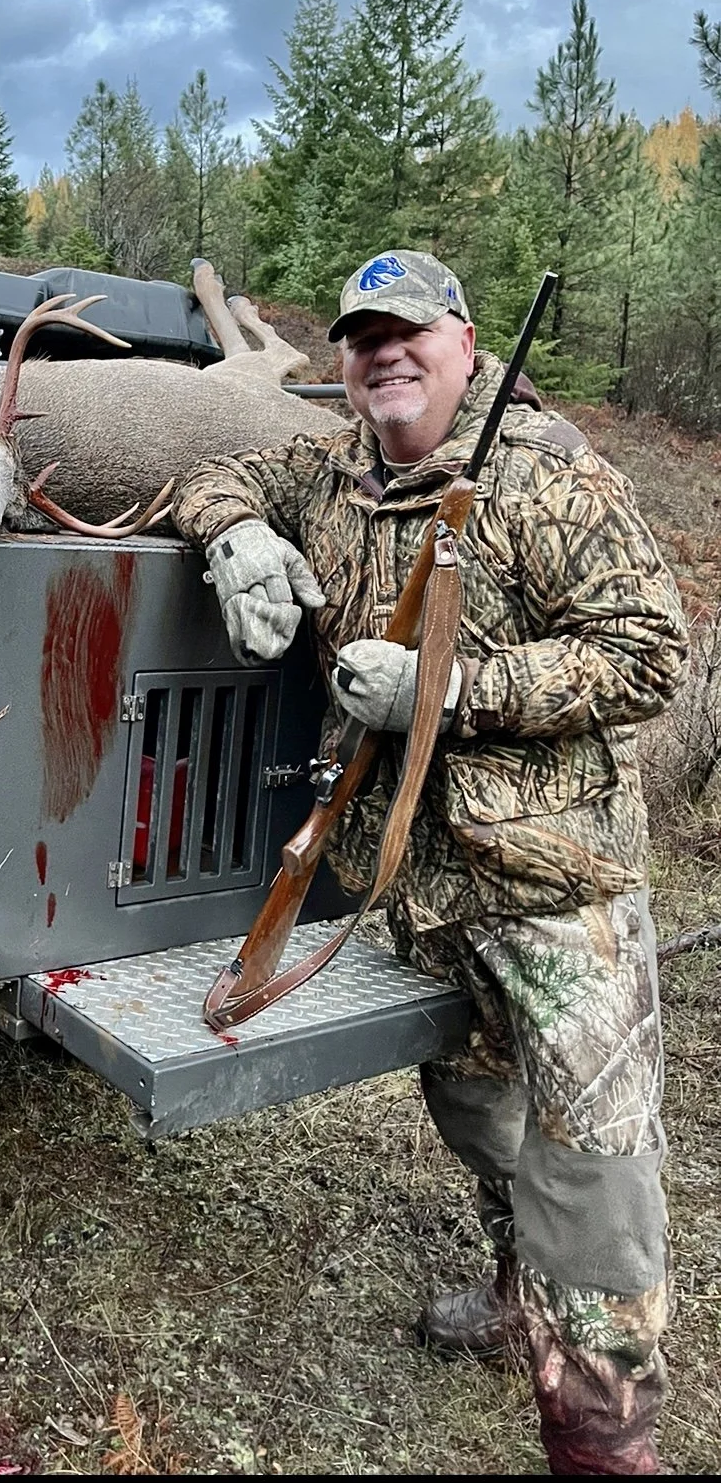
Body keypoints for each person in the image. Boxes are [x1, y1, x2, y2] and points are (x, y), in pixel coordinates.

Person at [173, 249, 689, 1476]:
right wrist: (236, 533)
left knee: (595, 1166)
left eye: (409, 333)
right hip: (424, 895)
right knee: (473, 1102)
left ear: (464, 342)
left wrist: (454, 690)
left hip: (557, 892)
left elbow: (648, 651)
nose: (381, 356)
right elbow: (219, 469)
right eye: (360, 340)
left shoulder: (547, 477)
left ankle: (602, 1438)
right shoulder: (337, 470)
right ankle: (521, 1295)